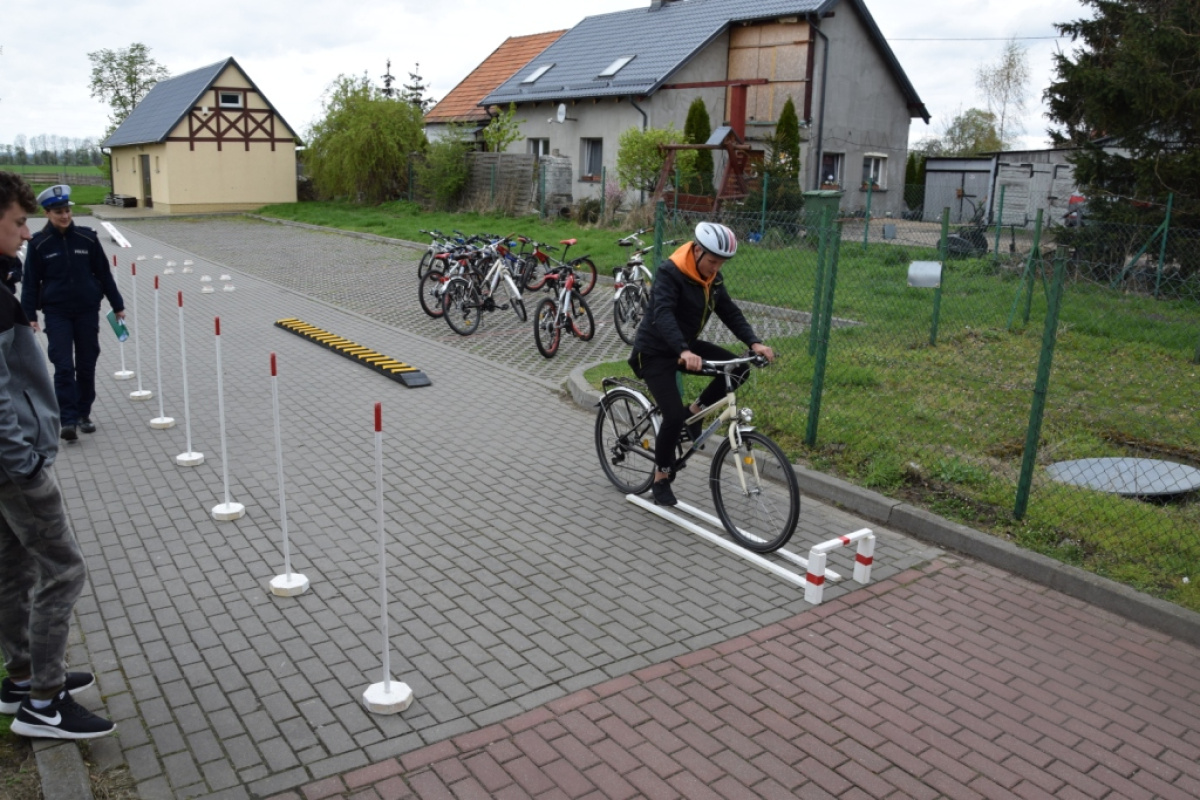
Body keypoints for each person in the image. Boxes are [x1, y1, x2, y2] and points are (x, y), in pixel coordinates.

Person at [0, 171, 113, 739]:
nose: (26, 233)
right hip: (14, 467)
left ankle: (22, 675)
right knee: (63, 571)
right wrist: (23, 462)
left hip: (10, 464)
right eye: (18, 222)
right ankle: (44, 704)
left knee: (13, 566)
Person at [629, 221, 775, 507]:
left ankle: (694, 413)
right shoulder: (670, 273)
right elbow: (663, 313)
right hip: (654, 351)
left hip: (684, 346)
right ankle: (661, 478)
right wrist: (683, 350)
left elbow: (730, 312)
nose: (716, 268)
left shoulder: (713, 279)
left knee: (738, 368)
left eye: (721, 263)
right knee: (672, 417)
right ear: (697, 251)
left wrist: (755, 343)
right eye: (712, 261)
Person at [20, 184, 125, 441]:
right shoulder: (39, 244)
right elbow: (30, 282)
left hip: (87, 311)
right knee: (63, 366)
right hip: (57, 313)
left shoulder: (87, 239)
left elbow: (104, 274)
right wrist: (29, 317)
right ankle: (67, 420)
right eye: (58, 212)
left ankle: (83, 414)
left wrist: (118, 305)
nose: (65, 216)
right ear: (47, 213)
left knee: (86, 365)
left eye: (67, 210)